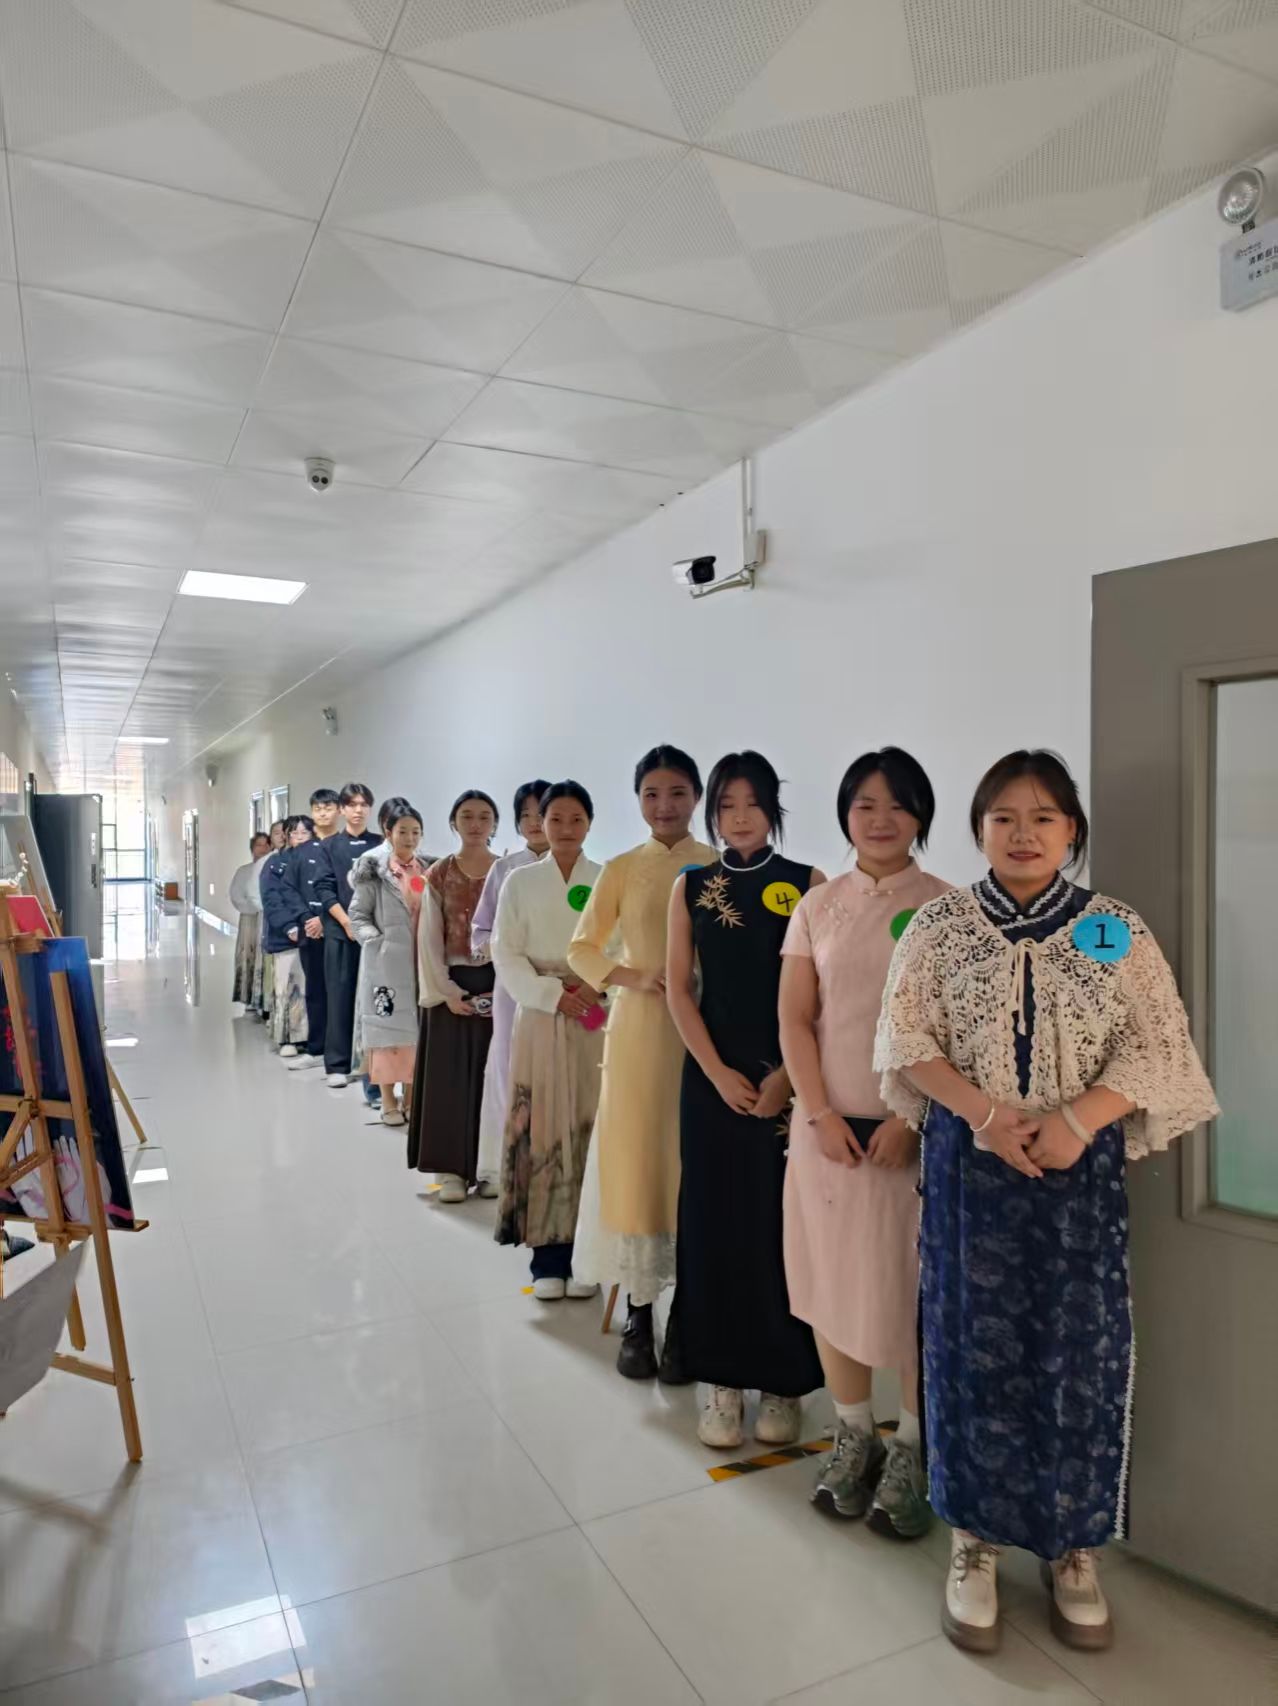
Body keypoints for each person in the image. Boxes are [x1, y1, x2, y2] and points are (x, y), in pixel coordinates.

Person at [876, 750, 1217, 1656]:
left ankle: (1073, 1548)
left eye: (1043, 818)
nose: (1023, 835)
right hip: (969, 1170)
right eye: (1004, 818)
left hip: (1077, 1178)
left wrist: (1076, 1120)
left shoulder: (1111, 929)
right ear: (979, 829)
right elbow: (905, 1039)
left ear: (1072, 831)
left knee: (1079, 1352)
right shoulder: (941, 926)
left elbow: (1158, 1046)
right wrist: (987, 1116)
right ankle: (974, 1542)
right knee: (966, 1347)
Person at [778, 748, 949, 1539]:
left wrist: (910, 1119)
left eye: (898, 805)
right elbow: (795, 1019)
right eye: (865, 805)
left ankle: (912, 1446)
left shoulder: (948, 908)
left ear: (921, 816)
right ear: (845, 813)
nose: (881, 820)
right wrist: (818, 1115)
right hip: (828, 1137)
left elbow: (956, 1033)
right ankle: (853, 1433)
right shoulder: (817, 906)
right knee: (831, 1283)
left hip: (913, 1140)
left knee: (914, 1291)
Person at [667, 752, 825, 1449]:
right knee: (711, 1222)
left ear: (773, 810)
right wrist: (717, 1073)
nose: (739, 818)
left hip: (789, 1083)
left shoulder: (809, 884)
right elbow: (679, 990)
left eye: (752, 804)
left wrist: (787, 1078)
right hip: (711, 1082)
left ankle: (784, 1380)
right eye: (726, 806)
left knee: (780, 1225)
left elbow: (823, 999)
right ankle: (721, 1381)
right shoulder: (691, 886)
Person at [568, 744, 715, 1381]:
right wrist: (633, 976)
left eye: (678, 793)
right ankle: (637, 1312)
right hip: (640, 1033)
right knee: (638, 1163)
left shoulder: (718, 865)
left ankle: (686, 1317)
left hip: (708, 1033)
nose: (664, 806)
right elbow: (582, 948)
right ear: (637, 800)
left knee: (691, 1164)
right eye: (652, 794)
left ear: (697, 797)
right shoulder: (623, 868)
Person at [493, 782, 604, 1299]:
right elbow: (506, 951)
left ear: (589, 823)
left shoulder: (605, 878)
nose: (564, 829)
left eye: (576, 819)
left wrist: (592, 986)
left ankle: (589, 1254)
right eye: (555, 818)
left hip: (594, 1011)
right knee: (542, 1123)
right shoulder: (519, 882)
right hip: (540, 1012)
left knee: (590, 1120)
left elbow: (621, 942)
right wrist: (551, 994)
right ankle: (547, 1258)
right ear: (540, 822)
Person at [408, 790, 500, 1202]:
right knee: (449, 1082)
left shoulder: (507, 872)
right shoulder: (439, 873)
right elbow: (429, 938)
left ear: (494, 824)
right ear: (453, 823)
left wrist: (506, 988)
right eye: (466, 816)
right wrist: (446, 991)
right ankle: (451, 1172)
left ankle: (491, 1167)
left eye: (484, 816)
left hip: (499, 985)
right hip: (451, 986)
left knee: (493, 1080)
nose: (475, 824)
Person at [473, 780, 550, 1192]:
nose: (535, 822)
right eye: (526, 815)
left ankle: (553, 1163)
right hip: (511, 989)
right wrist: (502, 951)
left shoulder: (583, 869)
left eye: (543, 813)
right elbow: (481, 929)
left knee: (560, 1066)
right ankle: (504, 1166)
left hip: (562, 988)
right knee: (507, 1066)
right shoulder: (504, 869)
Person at [349, 804, 431, 1127]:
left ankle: (410, 1098)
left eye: (416, 832)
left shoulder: (427, 869)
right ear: (388, 833)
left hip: (420, 963)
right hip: (385, 966)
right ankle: (386, 1099)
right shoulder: (374, 870)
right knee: (385, 1033)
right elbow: (358, 915)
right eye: (403, 831)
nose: (410, 838)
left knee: (416, 1033)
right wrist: (376, 942)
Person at [313, 783, 383, 1095]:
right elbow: (324, 888)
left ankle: (373, 1064)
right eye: (352, 804)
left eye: (363, 804)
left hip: (375, 935)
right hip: (340, 934)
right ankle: (337, 1064)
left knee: (375, 997)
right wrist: (346, 922)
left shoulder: (381, 844)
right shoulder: (329, 846)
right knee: (339, 996)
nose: (358, 810)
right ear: (342, 809)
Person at [282, 791, 338, 1072]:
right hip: (310, 933)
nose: (324, 813)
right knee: (315, 991)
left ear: (338, 811)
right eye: (318, 808)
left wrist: (324, 920)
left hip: (340, 931)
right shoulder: (300, 853)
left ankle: (341, 1054)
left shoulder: (343, 848)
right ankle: (316, 1048)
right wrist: (307, 918)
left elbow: (350, 891)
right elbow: (289, 889)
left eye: (329, 808)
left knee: (341, 991)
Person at [260, 815, 314, 1056]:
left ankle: (311, 1036)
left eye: (305, 833)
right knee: (289, 985)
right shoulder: (275, 864)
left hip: (314, 932)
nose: (300, 838)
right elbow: (272, 899)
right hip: (287, 936)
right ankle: (288, 1038)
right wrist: (289, 926)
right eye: (294, 833)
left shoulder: (319, 858)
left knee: (310, 986)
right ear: (287, 836)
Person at [230, 832, 270, 1016]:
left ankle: (265, 999)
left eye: (266, 845)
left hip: (269, 919)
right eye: (258, 845)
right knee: (248, 956)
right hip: (250, 919)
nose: (263, 849)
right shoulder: (243, 871)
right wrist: (256, 907)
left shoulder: (273, 868)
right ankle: (248, 997)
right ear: (252, 849)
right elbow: (236, 896)